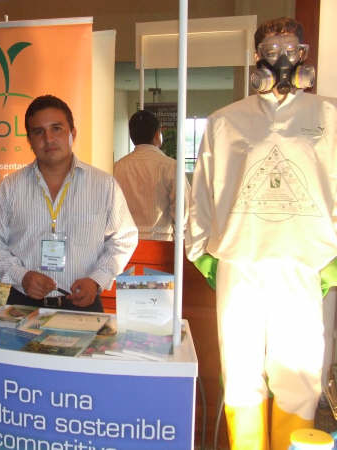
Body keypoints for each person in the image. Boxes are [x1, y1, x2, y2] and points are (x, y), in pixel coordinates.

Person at [186, 17, 332, 450]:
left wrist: (333, 264)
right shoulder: (224, 122)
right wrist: (204, 254)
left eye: (290, 48)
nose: (282, 58)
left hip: (304, 265)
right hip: (240, 265)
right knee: (240, 374)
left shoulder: (329, 117)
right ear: (256, 57)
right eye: (271, 49)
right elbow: (202, 195)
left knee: (300, 375)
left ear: (303, 54)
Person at [0, 94, 138, 312]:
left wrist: (97, 279)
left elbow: (123, 239)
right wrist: (21, 276)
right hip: (24, 304)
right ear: (29, 140)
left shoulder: (104, 185)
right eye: (39, 131)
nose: (48, 139)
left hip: (84, 304)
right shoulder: (10, 188)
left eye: (56, 128)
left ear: (72, 133)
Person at [114, 110, 190, 241]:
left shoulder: (117, 167)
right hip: (161, 243)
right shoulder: (170, 166)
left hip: (125, 243)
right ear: (157, 135)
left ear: (132, 136)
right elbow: (183, 210)